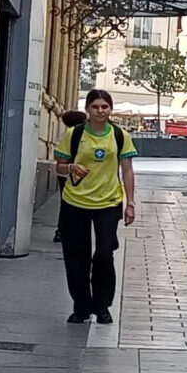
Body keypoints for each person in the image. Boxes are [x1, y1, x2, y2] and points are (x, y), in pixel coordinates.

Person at [54, 88, 136, 324]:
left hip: (108, 202)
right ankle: (81, 307)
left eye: (105, 107)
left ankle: (102, 306)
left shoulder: (120, 135)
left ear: (110, 109)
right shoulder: (74, 134)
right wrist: (71, 168)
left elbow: (127, 170)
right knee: (76, 257)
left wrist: (130, 203)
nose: (100, 111)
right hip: (75, 202)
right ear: (87, 109)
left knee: (104, 254)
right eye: (95, 107)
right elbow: (59, 165)